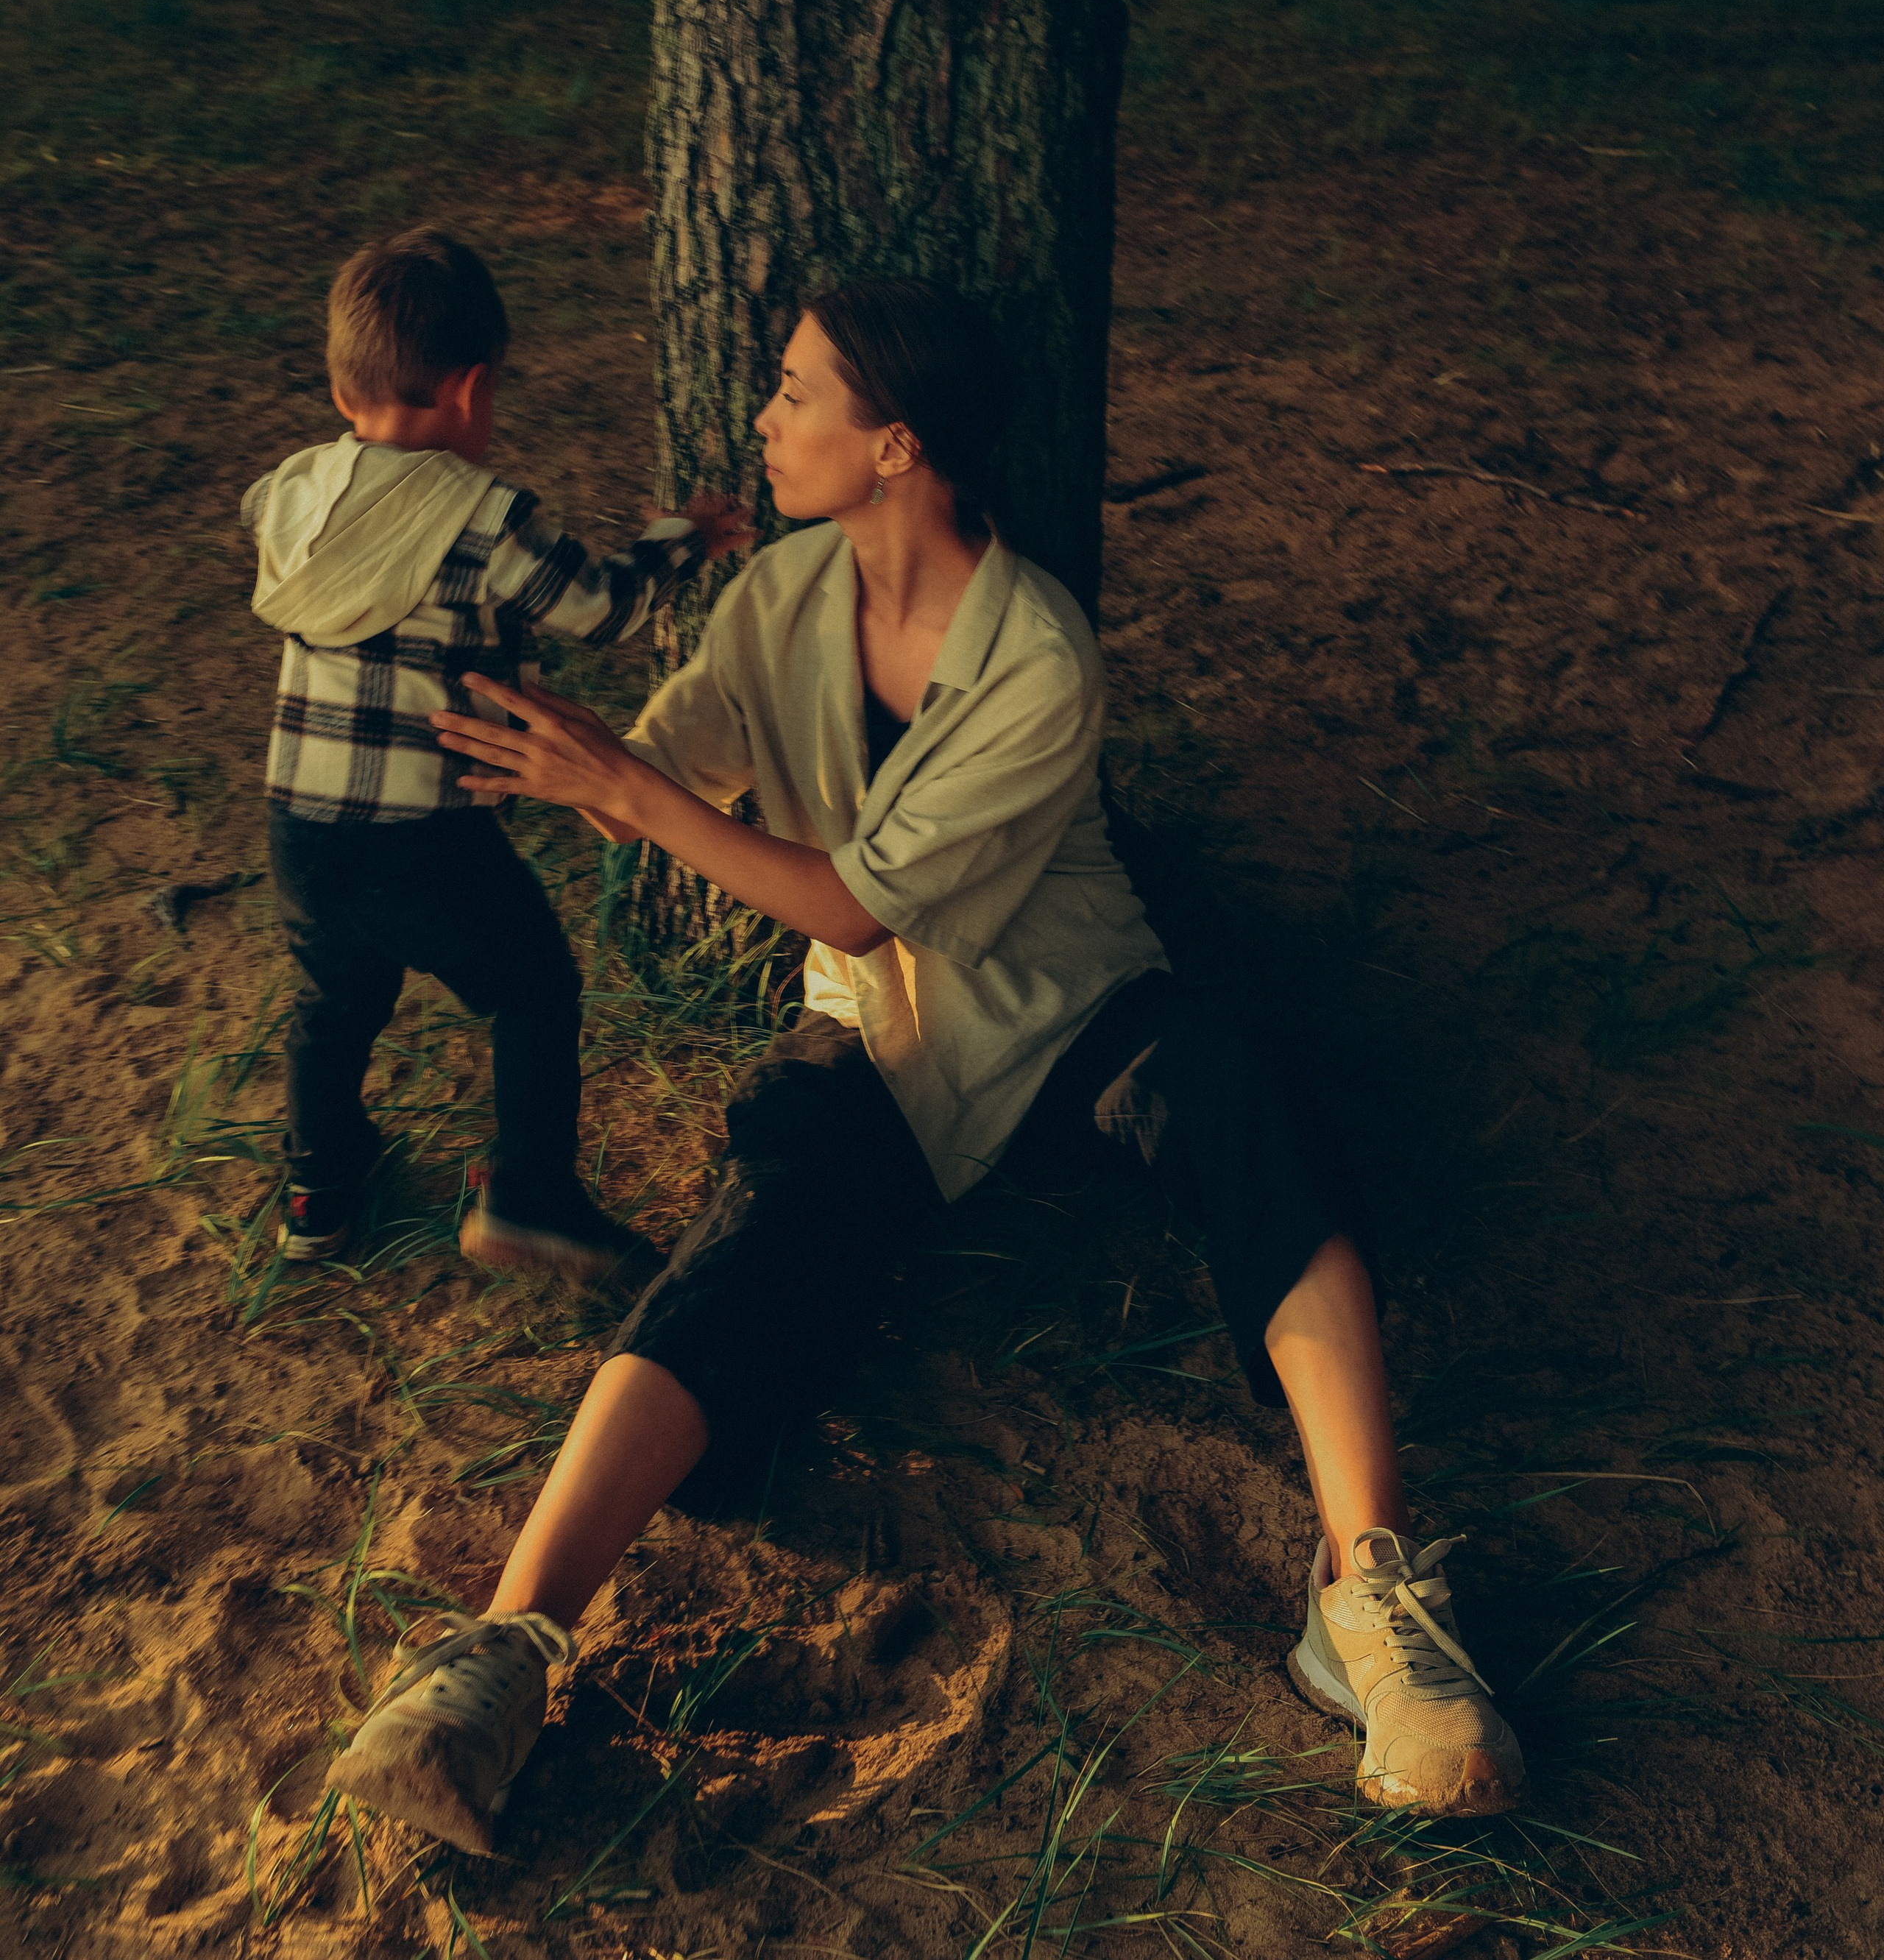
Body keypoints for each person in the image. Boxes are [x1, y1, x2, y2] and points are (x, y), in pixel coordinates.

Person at [326, 275, 1526, 1854]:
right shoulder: (777, 597)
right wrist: (492, 721)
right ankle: (504, 1648)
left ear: (893, 443)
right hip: (881, 1033)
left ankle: (1367, 1594)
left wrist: (627, 784)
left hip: (1068, 1009)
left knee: (1237, 1092)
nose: (761, 418)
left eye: (793, 392)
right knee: (754, 1230)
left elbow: (837, 890)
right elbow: (669, 777)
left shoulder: (1038, 653)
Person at [244, 225, 746, 1279]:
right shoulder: (481, 515)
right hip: (421, 839)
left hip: (301, 828)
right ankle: (530, 1195)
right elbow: (600, 611)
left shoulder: (287, 491)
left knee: (333, 1002)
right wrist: (683, 538)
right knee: (531, 991)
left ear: (345, 389)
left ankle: (317, 1196)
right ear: (473, 389)